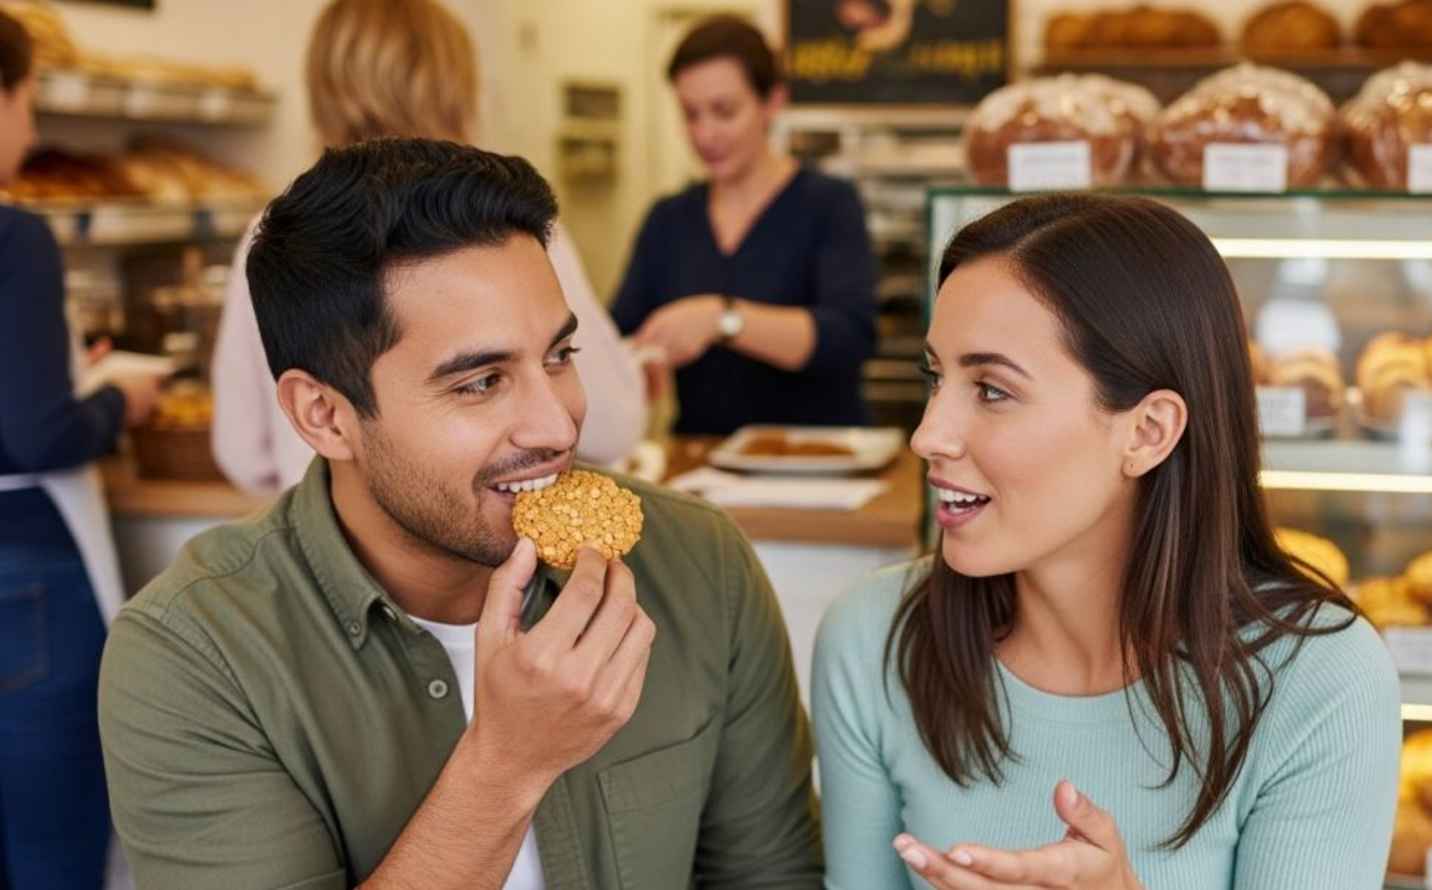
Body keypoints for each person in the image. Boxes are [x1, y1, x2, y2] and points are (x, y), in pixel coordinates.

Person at [99, 138, 822, 889]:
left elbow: (771, 877)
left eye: (558, 356)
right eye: (480, 382)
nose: (556, 425)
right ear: (324, 415)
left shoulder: (699, 565)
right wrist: (509, 764)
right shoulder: (195, 656)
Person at [813, 194, 1400, 890]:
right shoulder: (874, 638)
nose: (928, 435)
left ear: (1147, 431)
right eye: (936, 379)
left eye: (992, 390)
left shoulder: (1320, 681)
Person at [213, 0, 644, 494]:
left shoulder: (268, 239)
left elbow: (241, 450)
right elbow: (615, 423)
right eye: (478, 382)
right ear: (455, 90)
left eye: (561, 355)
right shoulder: (506, 233)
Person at [0, 10, 159, 890]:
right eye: (28, 102)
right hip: (22, 574)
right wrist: (114, 400)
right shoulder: (15, 236)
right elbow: (37, 432)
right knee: (54, 855)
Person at [612, 15, 876, 436]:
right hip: (700, 464)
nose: (705, 133)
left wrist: (722, 319)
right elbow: (620, 333)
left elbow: (848, 338)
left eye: (724, 111)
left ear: (772, 102)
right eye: (691, 115)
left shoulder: (828, 204)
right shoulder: (668, 220)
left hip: (819, 467)